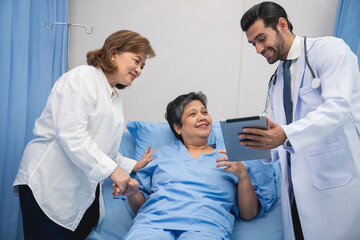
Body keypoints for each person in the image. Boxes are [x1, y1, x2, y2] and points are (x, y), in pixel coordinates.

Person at [12, 30, 157, 239]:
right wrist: (113, 171)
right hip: (49, 184)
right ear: (114, 53)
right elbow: (72, 135)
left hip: (77, 195)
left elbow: (104, 151)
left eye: (142, 65)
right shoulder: (83, 78)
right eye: (136, 60)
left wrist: (131, 166)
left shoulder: (113, 98)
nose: (139, 70)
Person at [239, 2, 360, 240]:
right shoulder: (276, 80)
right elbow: (280, 139)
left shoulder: (329, 50)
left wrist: (284, 134)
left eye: (261, 39)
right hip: (295, 189)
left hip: (335, 181)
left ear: (281, 25)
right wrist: (257, 143)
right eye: (253, 43)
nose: (258, 49)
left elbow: (337, 108)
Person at [113, 92, 269, 240]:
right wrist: (133, 193)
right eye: (192, 114)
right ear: (178, 127)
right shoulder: (160, 155)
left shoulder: (231, 157)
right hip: (152, 225)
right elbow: (139, 206)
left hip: (206, 227)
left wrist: (243, 175)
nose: (201, 117)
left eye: (204, 112)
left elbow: (249, 214)